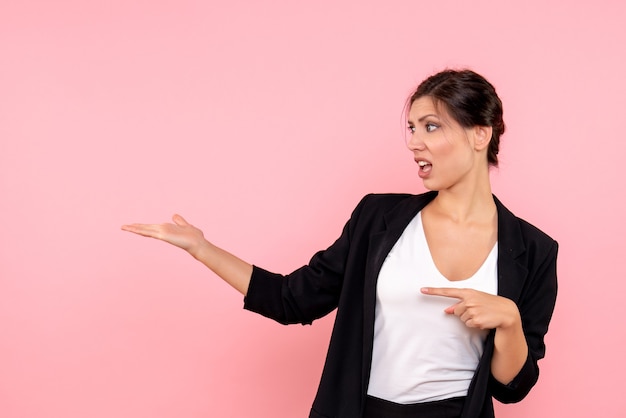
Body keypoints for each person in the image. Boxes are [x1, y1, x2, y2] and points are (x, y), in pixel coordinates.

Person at [121, 69, 558, 418]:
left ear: (480, 135)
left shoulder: (534, 251)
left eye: (431, 126)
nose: (413, 142)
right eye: (410, 128)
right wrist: (202, 248)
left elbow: (512, 387)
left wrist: (510, 322)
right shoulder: (378, 219)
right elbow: (293, 300)